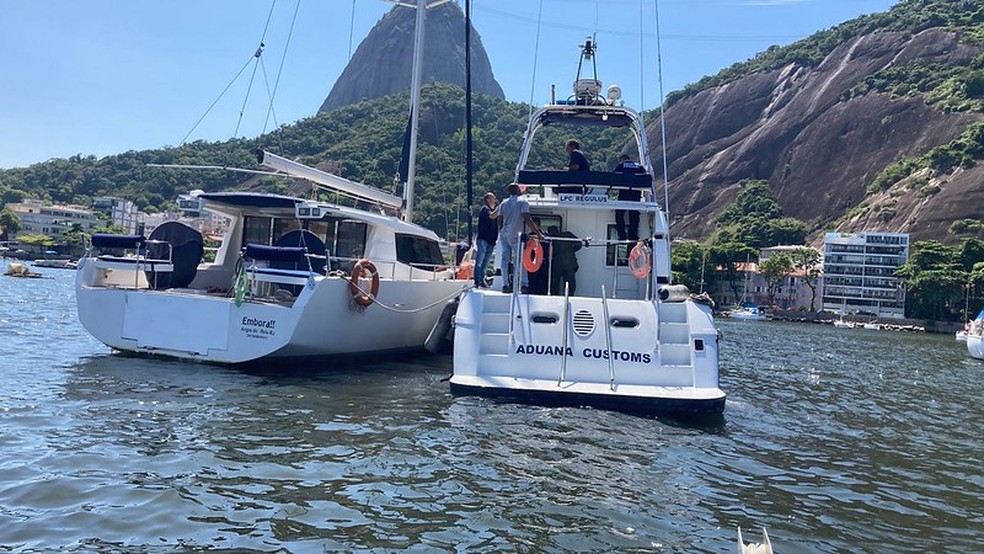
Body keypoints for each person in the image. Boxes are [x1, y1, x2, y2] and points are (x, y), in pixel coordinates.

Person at [492, 183, 543, 293]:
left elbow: (499, 220)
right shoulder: (523, 202)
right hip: (515, 234)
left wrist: (501, 230)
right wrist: (538, 234)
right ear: (518, 190)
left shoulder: (503, 203)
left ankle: (505, 284)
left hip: (504, 234)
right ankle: (524, 284)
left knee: (505, 259)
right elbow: (527, 219)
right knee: (521, 260)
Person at [613, 154, 644, 241]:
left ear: (621, 160)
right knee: (634, 215)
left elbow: (613, 178)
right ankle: (633, 235)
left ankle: (622, 235)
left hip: (624, 193)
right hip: (636, 194)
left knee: (619, 213)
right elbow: (646, 177)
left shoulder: (621, 166)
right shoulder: (639, 166)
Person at [547, 225, 582, 295]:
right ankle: (569, 298)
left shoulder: (551, 239)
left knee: (554, 285)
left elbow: (549, 254)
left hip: (557, 264)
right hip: (570, 263)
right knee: (570, 285)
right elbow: (579, 244)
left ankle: (554, 298)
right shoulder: (567, 234)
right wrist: (571, 251)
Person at [473, 192, 498, 287]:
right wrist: (499, 209)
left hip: (491, 240)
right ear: (487, 199)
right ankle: (477, 280)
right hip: (484, 239)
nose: (494, 198)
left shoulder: (493, 210)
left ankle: (482, 279)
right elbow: (491, 216)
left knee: (486, 261)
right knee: (480, 260)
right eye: (492, 196)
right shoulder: (485, 209)